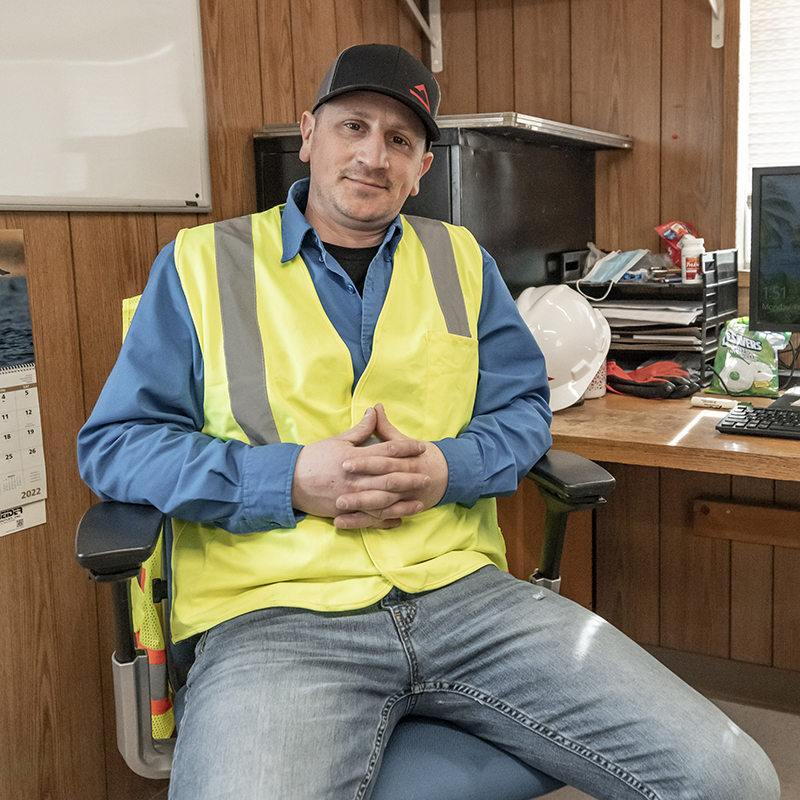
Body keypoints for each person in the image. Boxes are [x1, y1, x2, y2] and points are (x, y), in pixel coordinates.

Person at [78, 44, 779, 800]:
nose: (373, 155)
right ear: (309, 136)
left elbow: (521, 414)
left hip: (464, 599)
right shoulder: (199, 264)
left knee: (732, 778)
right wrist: (285, 480)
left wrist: (451, 468)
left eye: (400, 141)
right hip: (276, 618)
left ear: (421, 170)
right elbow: (118, 445)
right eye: (353, 127)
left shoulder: (461, 259)